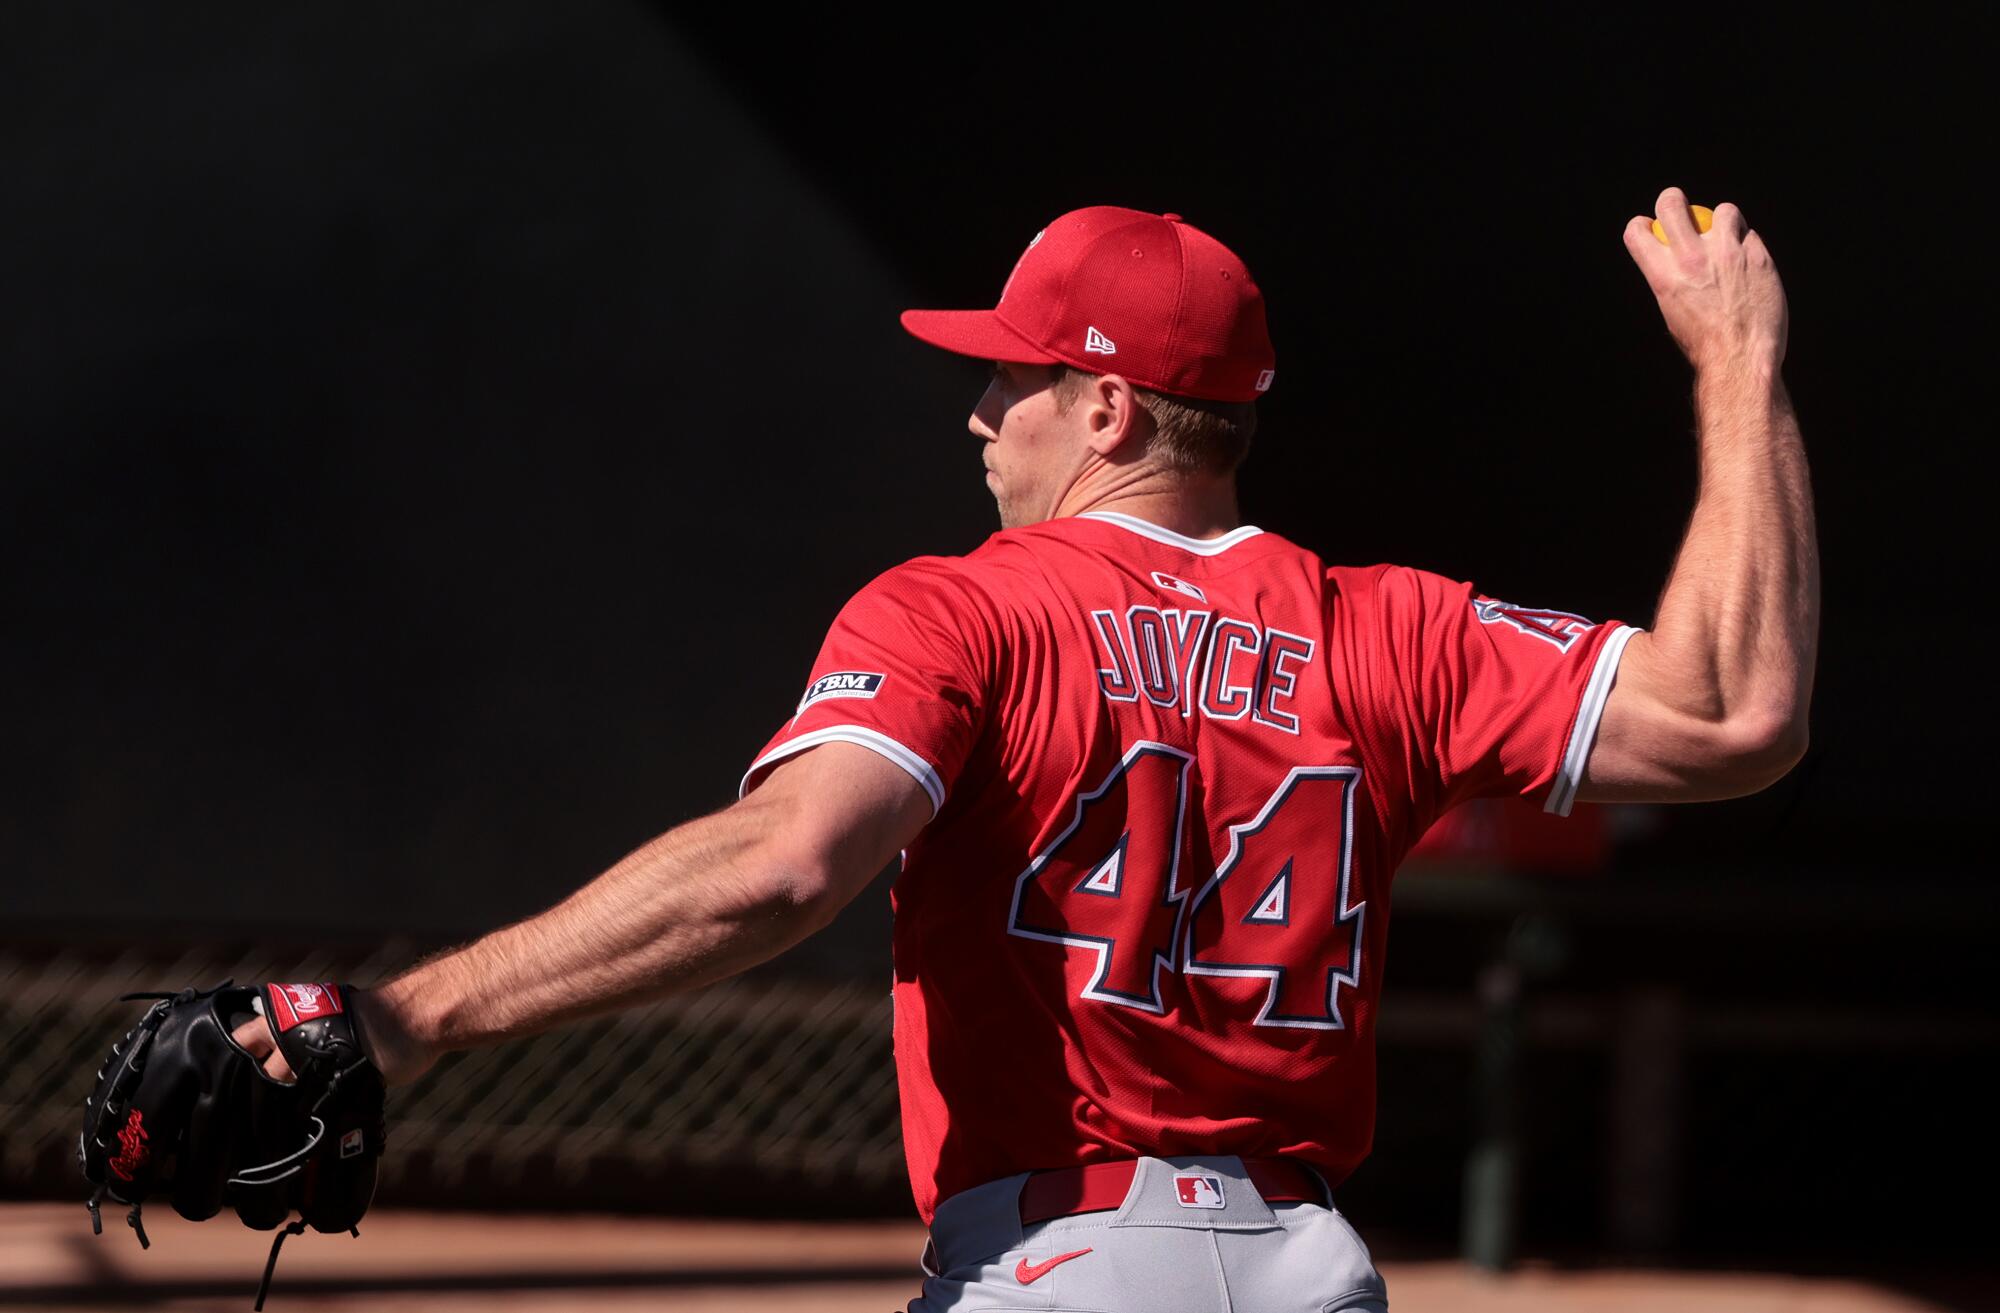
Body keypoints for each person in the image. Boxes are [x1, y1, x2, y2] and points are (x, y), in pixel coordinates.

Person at [236, 191, 1816, 1311]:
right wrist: (1737, 370)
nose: (982, 412)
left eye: (1012, 374)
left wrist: (410, 1013)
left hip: (1060, 1260)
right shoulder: (1386, 627)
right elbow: (1735, 712)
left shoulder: (963, 611)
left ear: (1111, 410)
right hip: (1307, 1267)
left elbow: (788, 862)